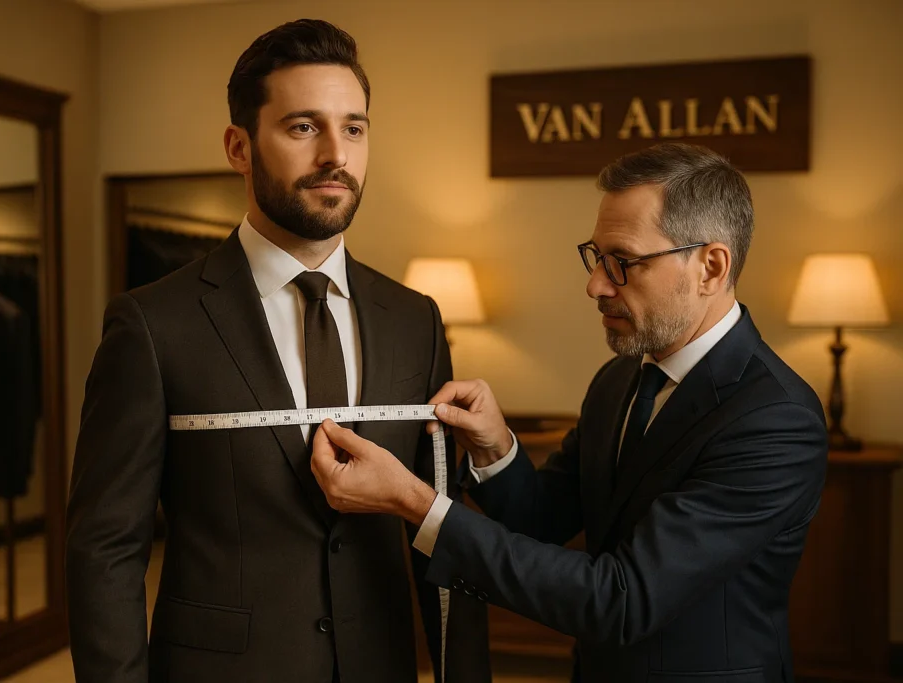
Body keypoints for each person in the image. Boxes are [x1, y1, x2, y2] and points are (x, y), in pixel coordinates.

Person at [65, 19, 489, 683]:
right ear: (239, 146)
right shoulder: (152, 324)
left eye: (354, 127)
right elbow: (105, 547)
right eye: (302, 127)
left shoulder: (417, 320)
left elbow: (439, 530)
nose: (336, 155)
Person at [311, 142, 828, 683]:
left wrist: (415, 503)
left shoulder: (776, 420)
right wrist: (496, 448)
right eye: (596, 257)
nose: (595, 285)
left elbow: (620, 599)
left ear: (711, 266)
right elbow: (544, 519)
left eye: (623, 263)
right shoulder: (620, 380)